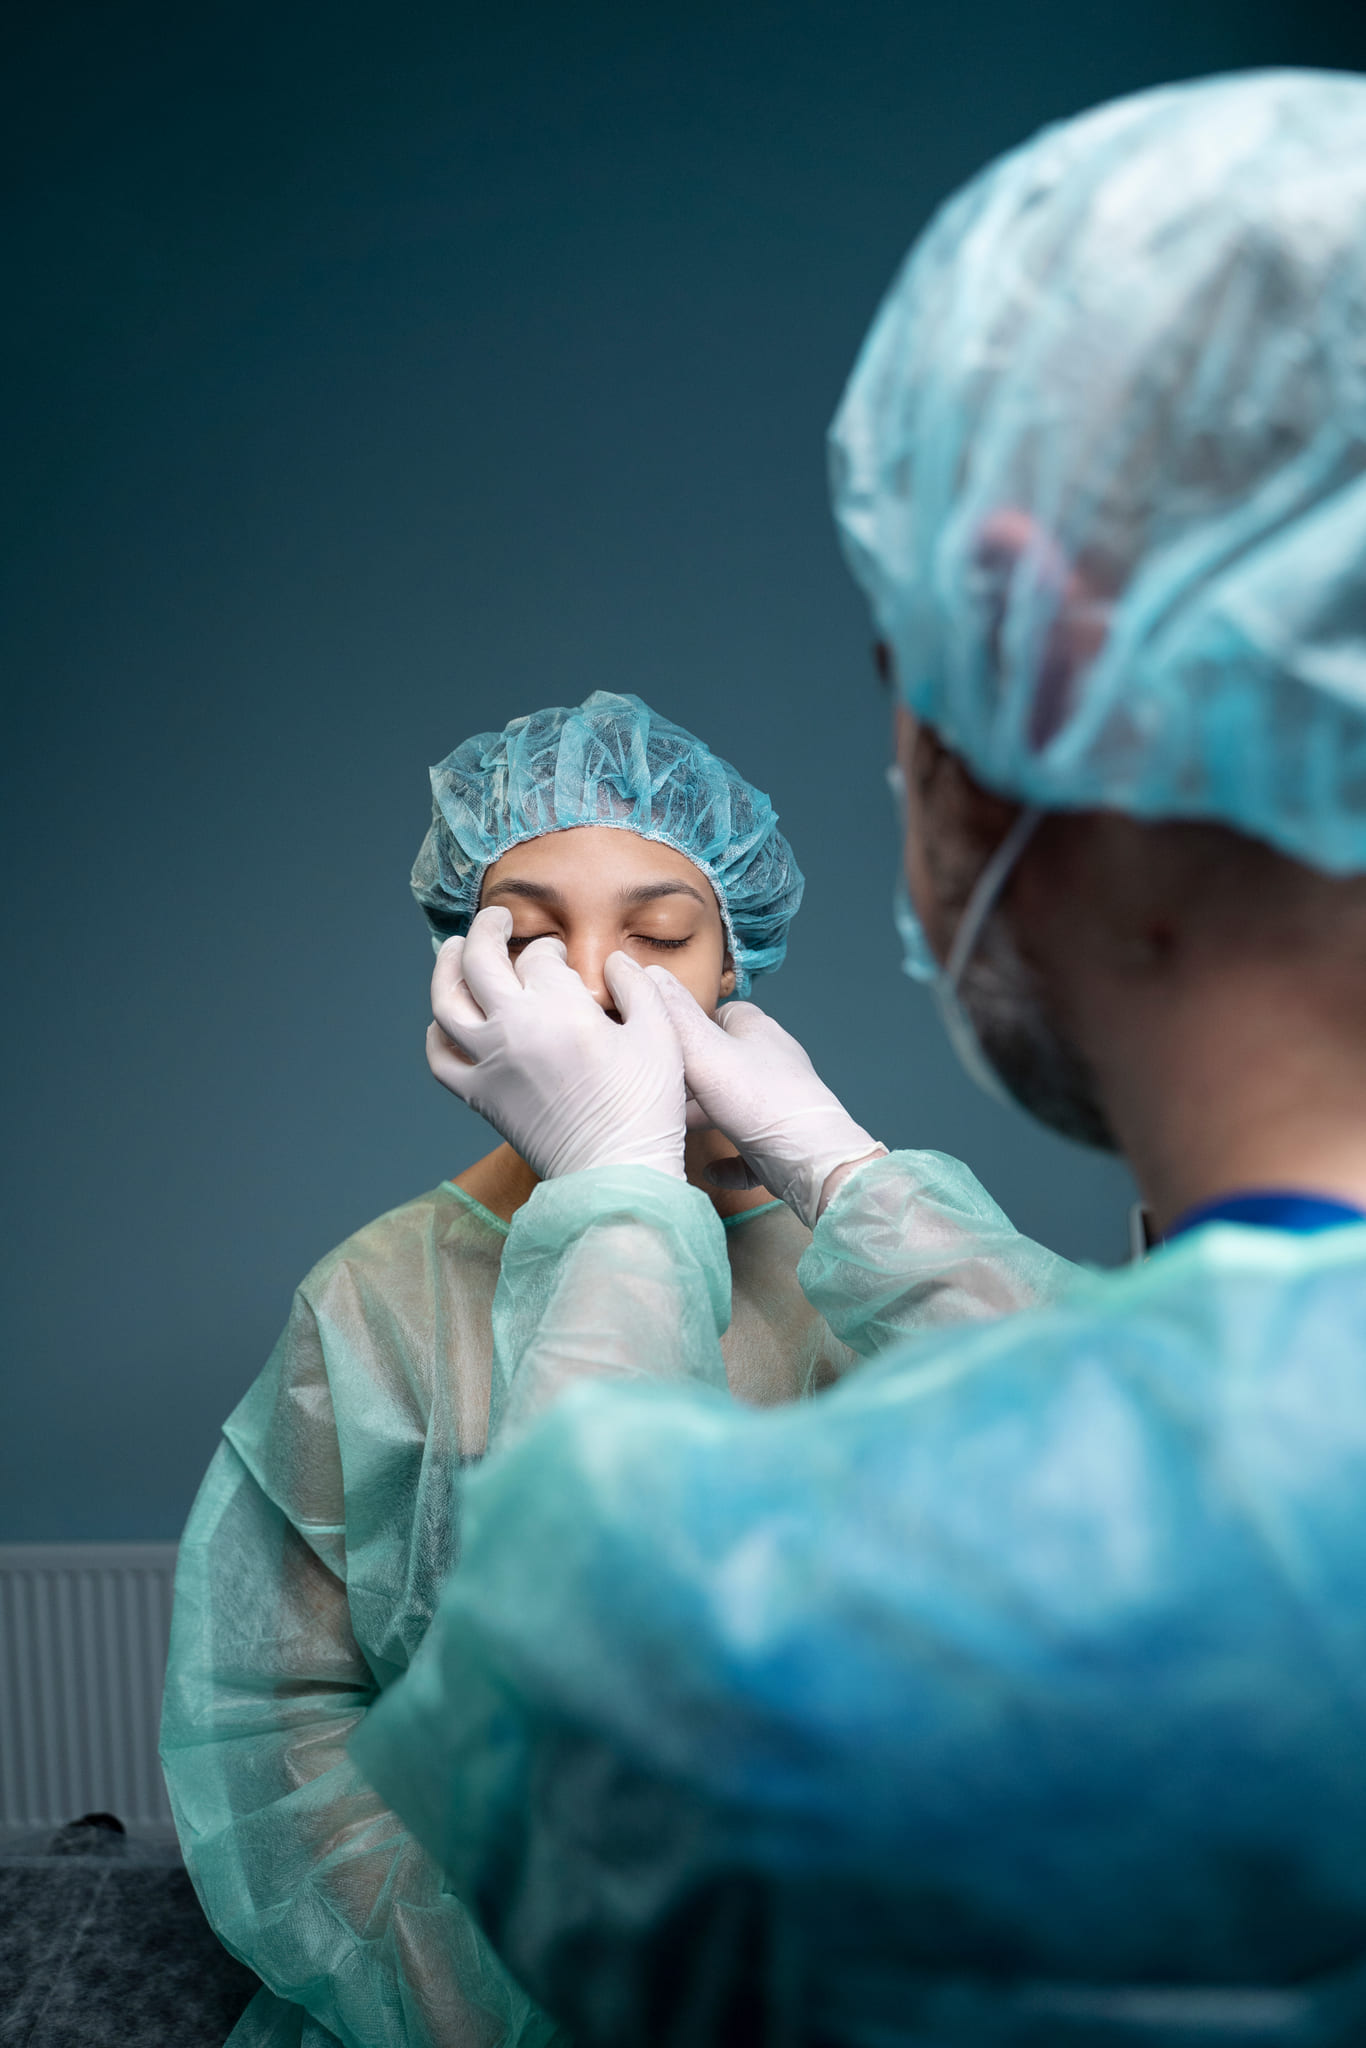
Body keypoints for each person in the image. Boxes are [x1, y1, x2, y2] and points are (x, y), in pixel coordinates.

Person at [352, 70, 1366, 2048]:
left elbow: (573, 1744)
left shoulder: (832, 1620)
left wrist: (617, 1199)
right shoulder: (1215, 1468)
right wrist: (837, 1165)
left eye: (898, 697)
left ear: (1014, 671)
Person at [160, 690, 884, 2048]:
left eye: (660, 933)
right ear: (466, 976)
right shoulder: (375, 1293)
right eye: (532, 936)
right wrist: (451, 1980)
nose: (594, 976)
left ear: (735, 963)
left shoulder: (866, 1270)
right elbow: (278, 1712)